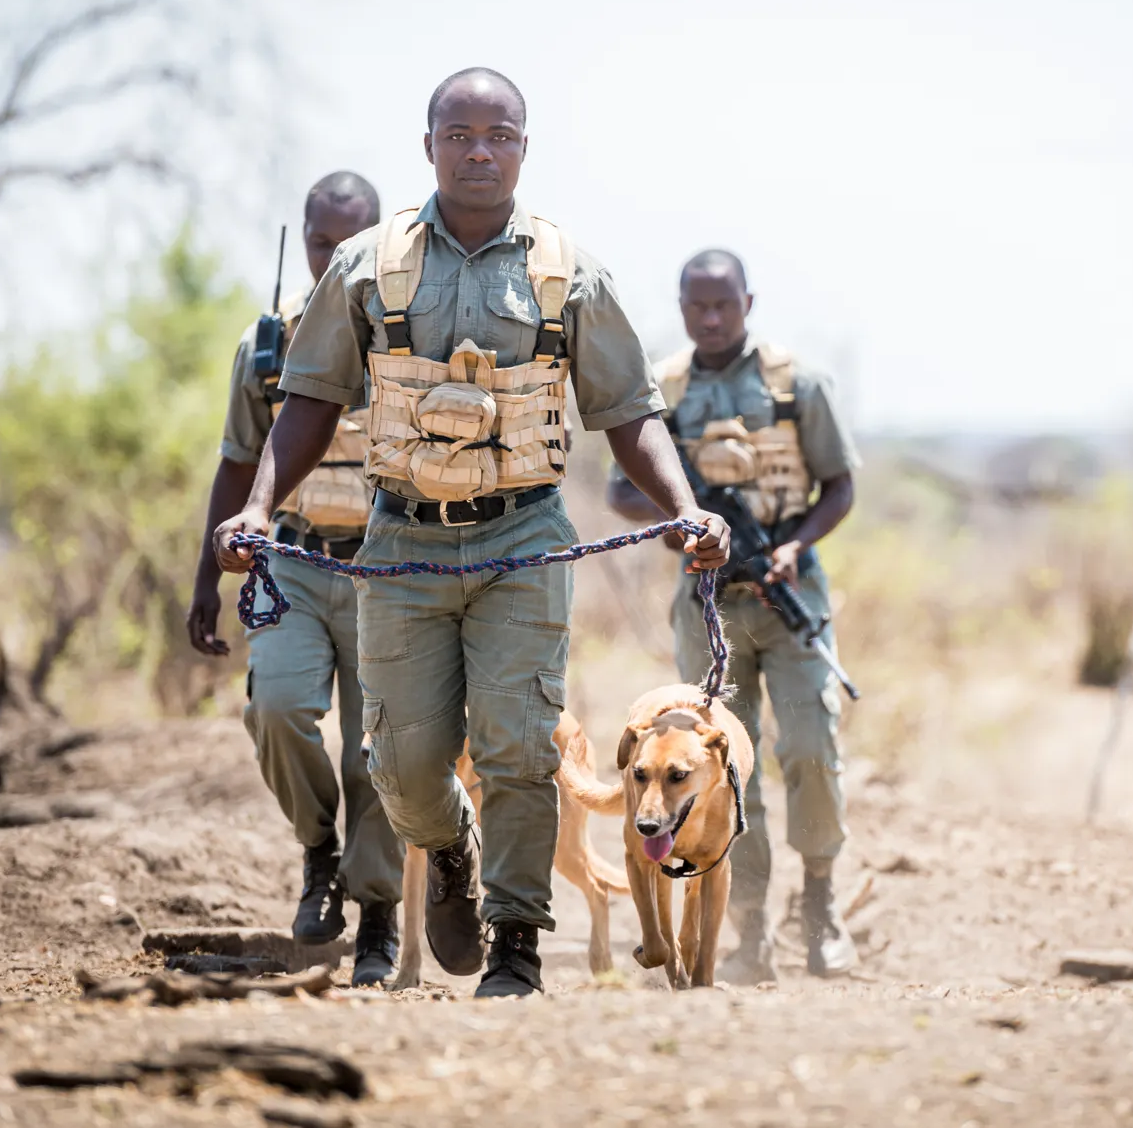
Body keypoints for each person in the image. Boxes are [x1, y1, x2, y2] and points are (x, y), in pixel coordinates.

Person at [212, 68, 729, 999]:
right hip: (401, 543)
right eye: (460, 134)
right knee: (402, 764)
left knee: (519, 742)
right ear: (429, 147)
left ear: (524, 148)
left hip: (523, 540)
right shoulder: (367, 264)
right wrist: (254, 509)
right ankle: (448, 845)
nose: (480, 150)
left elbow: (629, 410)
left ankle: (517, 944)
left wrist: (685, 506)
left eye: (500, 134)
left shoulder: (570, 271)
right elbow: (310, 401)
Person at [606, 249, 860, 983]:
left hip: (790, 597)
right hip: (706, 600)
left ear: (749, 301)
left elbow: (840, 486)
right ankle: (747, 930)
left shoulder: (796, 384)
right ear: (682, 305)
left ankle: (820, 907)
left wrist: (792, 545)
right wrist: (681, 517)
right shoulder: (666, 387)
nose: (711, 318)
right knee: (718, 772)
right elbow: (623, 488)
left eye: (724, 305)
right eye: (697, 306)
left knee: (811, 747)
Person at [186, 172, 406, 986]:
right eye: (323, 241)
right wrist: (206, 577)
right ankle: (320, 851)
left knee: (379, 747)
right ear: (305, 238)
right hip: (294, 558)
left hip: (391, 564)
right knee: (276, 707)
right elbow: (237, 462)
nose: (336, 256)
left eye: (355, 243)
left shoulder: (406, 332)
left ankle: (378, 910)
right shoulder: (269, 343)